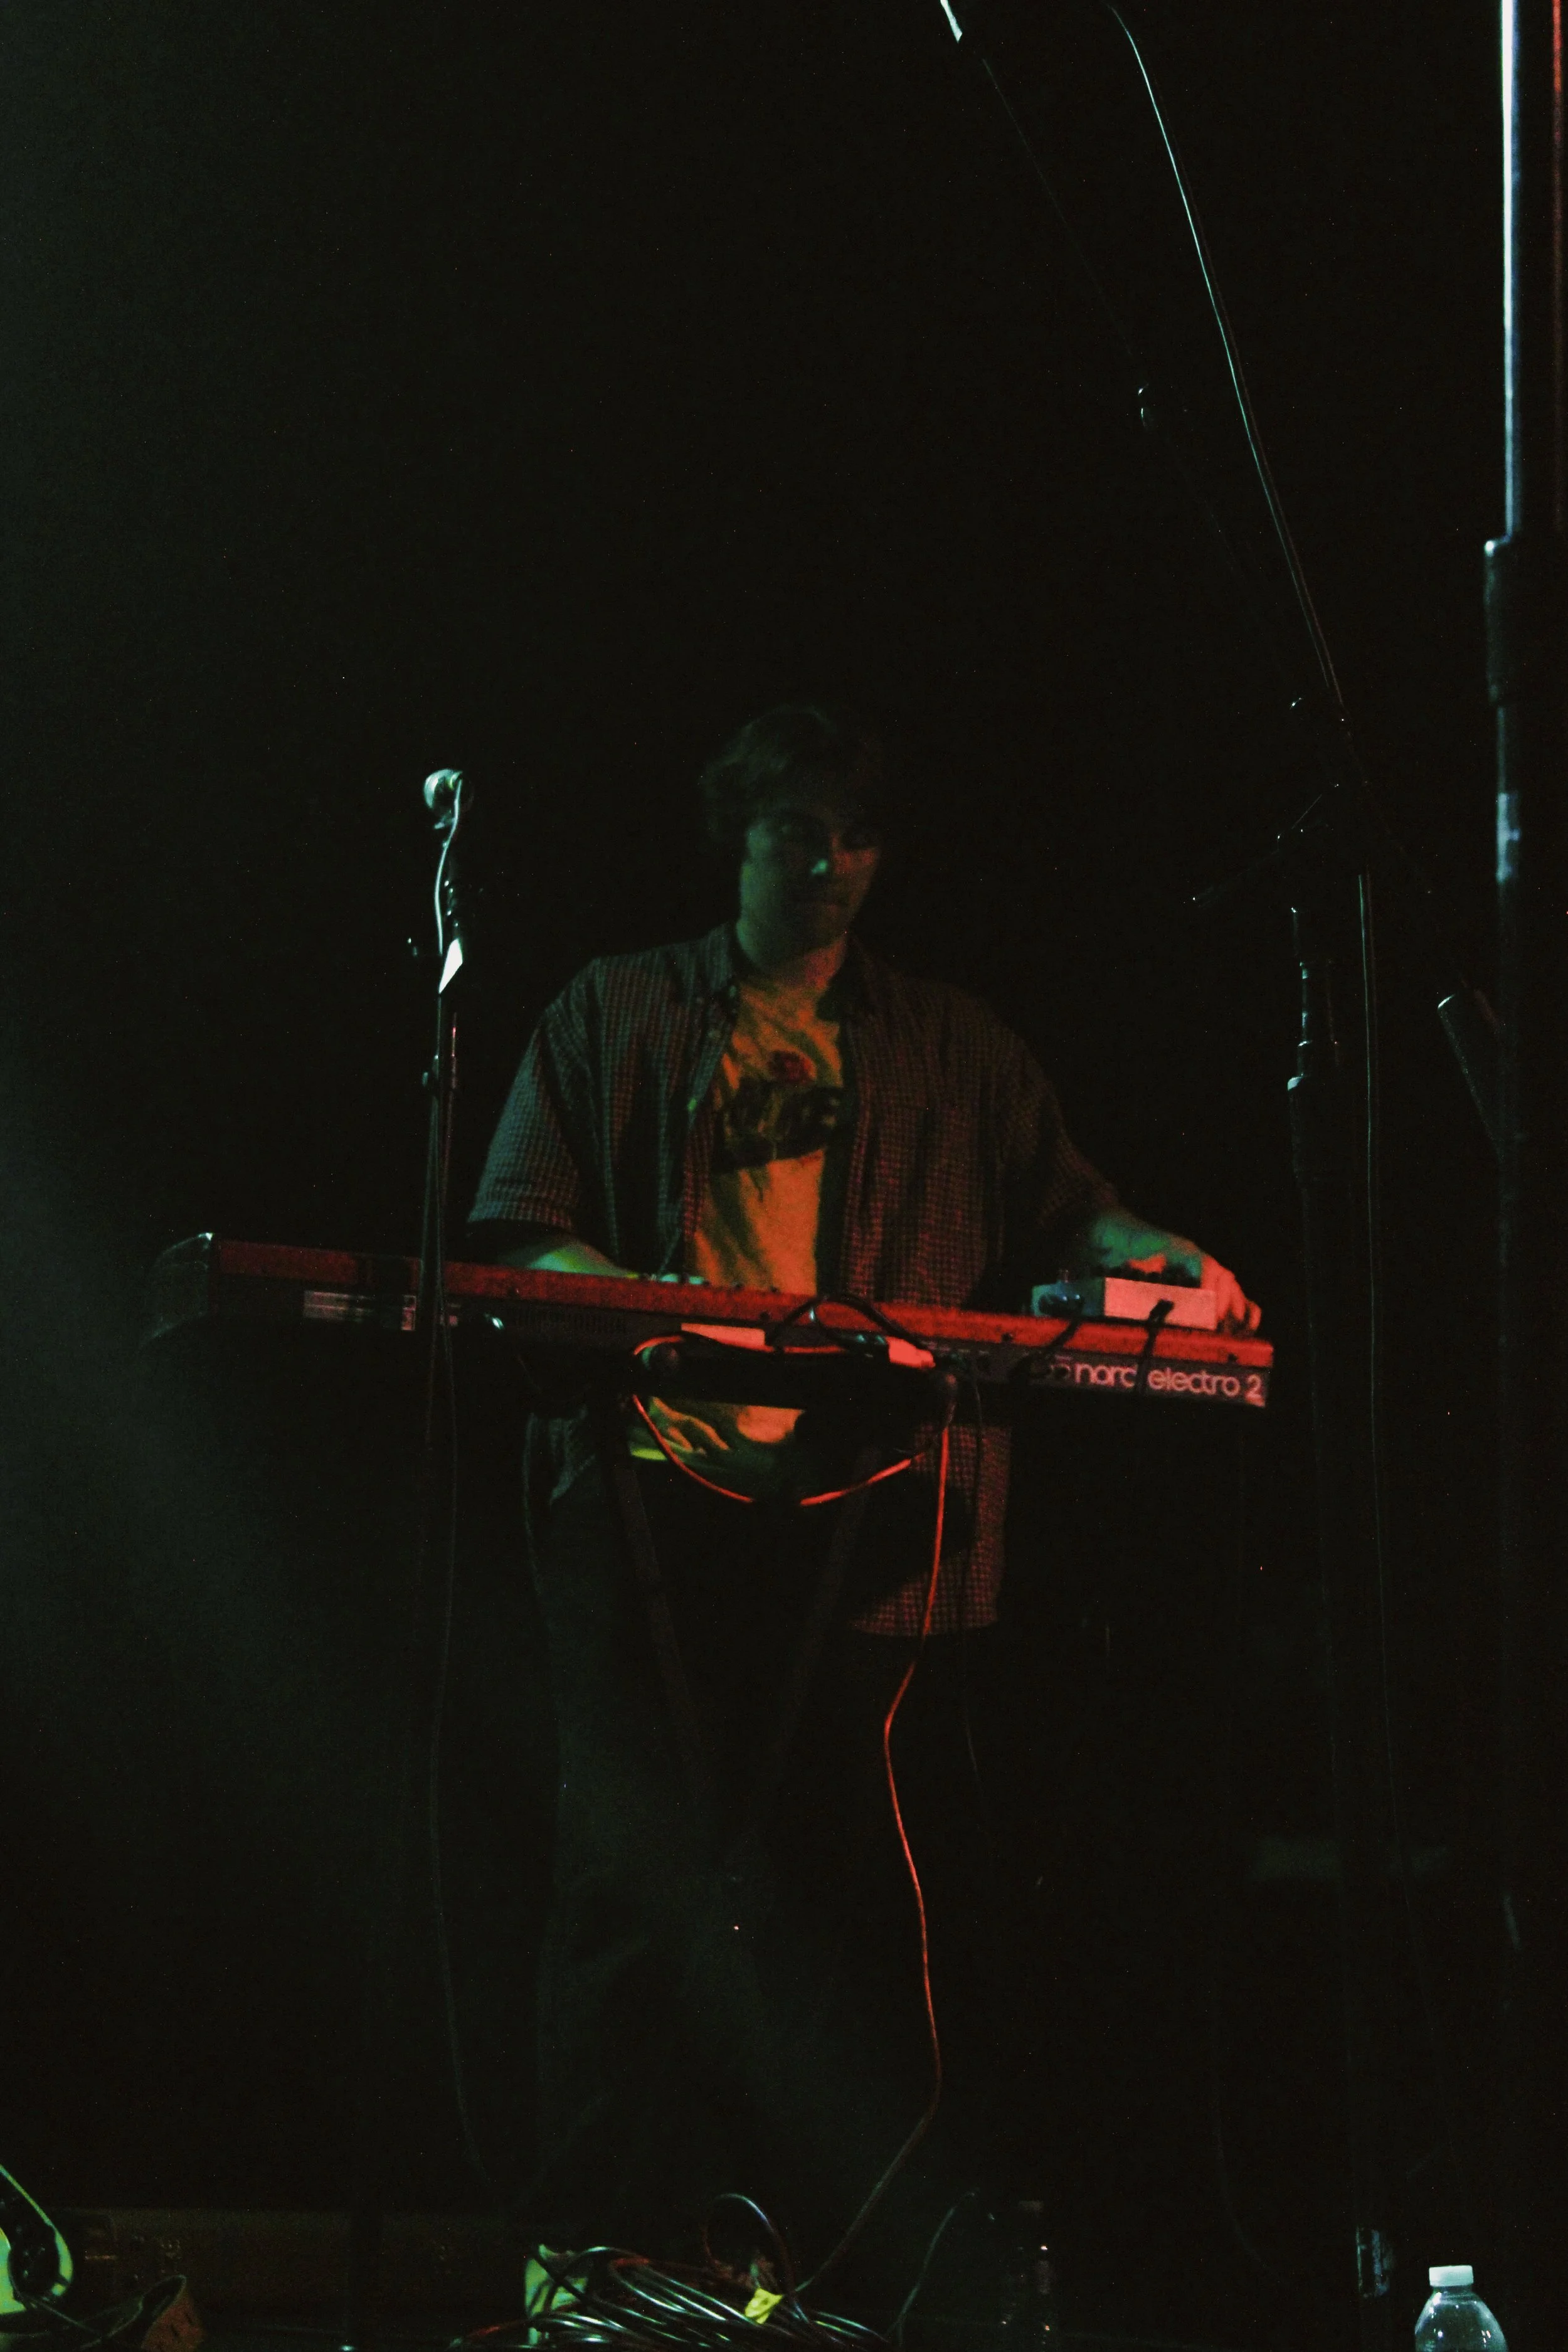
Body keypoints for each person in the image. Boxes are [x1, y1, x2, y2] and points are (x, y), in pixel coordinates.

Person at [467, 706, 1258, 2311]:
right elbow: (517, 1227)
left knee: (838, 1897)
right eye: (792, 830)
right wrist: (659, 1319)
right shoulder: (618, 1008)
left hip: (865, 1508)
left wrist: (1165, 1263)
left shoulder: (952, 1045)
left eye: (854, 836)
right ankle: (592, 2258)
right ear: (736, 838)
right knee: (629, 1882)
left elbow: (1077, 1213)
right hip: (651, 1490)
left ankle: (815, 2268)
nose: (824, 862)